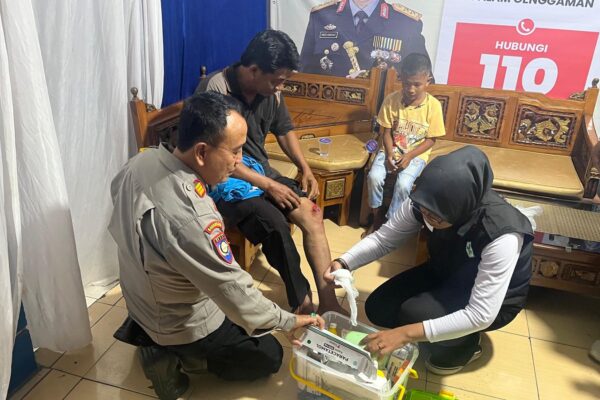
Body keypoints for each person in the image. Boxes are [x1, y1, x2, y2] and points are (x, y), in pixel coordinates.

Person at [108, 92, 324, 400]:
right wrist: (290, 320)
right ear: (201, 152)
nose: (239, 161)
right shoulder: (193, 217)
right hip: (176, 322)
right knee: (269, 354)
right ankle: (174, 356)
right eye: (235, 151)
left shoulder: (140, 162)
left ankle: (151, 337)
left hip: (138, 298)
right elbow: (235, 292)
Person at [325, 146, 534, 375]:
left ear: (460, 209)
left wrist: (405, 334)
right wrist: (344, 262)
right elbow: (384, 239)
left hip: (494, 301)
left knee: (413, 315)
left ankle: (467, 345)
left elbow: (480, 314)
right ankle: (438, 327)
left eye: (436, 217)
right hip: (446, 270)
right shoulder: (425, 200)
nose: (427, 217)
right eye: (424, 211)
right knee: (378, 308)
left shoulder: (501, 233)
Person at [196, 30, 345, 315]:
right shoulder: (216, 90)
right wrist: (268, 186)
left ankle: (329, 301)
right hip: (226, 182)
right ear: (253, 70)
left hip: (261, 173)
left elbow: (284, 129)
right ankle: (302, 303)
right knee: (275, 223)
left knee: (312, 214)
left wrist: (304, 167)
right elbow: (217, 157)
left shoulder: (271, 91)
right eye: (277, 80)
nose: (281, 87)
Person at [366, 53, 445, 234]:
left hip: (416, 154)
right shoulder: (391, 100)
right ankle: (376, 216)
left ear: (428, 81)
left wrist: (409, 156)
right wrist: (389, 154)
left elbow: (431, 139)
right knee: (374, 177)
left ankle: (391, 223)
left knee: (403, 184)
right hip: (390, 150)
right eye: (407, 83)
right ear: (401, 78)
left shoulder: (433, 106)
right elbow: (386, 132)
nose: (411, 89)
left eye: (417, 84)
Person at [299, 0, 430, 77]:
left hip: (380, 111)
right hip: (328, 109)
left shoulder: (405, 23)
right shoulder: (322, 16)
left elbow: (423, 80)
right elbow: (305, 72)